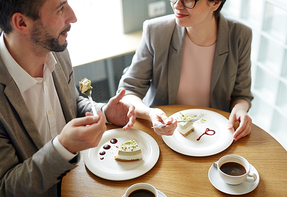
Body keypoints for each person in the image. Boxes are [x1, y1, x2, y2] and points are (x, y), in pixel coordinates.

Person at [0, 0, 135, 196]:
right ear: (21, 23)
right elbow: (6, 188)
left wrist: (103, 111)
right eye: (61, 8)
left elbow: (70, 103)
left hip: (84, 183)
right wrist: (62, 148)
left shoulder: (57, 50)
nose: (73, 17)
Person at [118, 0, 253, 141]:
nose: (177, 5)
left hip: (214, 136)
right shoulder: (155, 31)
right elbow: (128, 91)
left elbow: (242, 94)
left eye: (188, 0)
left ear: (215, 3)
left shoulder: (240, 35)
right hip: (165, 135)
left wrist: (241, 108)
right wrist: (150, 113)